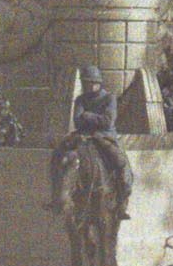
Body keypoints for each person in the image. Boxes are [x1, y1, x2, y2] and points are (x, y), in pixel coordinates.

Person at [49, 66, 133, 219]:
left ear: (98, 83)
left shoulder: (109, 98)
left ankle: (121, 202)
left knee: (120, 162)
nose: (87, 86)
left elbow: (108, 122)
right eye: (85, 83)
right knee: (58, 155)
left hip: (104, 136)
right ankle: (57, 197)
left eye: (90, 83)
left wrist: (87, 115)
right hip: (83, 135)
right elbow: (77, 120)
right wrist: (91, 119)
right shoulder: (81, 99)